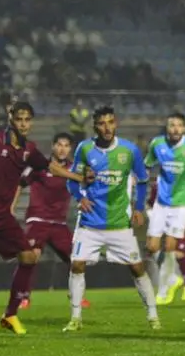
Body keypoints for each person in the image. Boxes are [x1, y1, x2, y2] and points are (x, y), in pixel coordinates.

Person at [0, 101, 88, 338]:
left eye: (27, 119)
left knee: (29, 256)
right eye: (19, 119)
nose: (23, 124)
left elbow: (50, 167)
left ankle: (10, 314)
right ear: (10, 118)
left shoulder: (29, 150)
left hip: (2, 215)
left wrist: (78, 176)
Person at [63, 106, 159, 331]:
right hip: (89, 221)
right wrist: (79, 197)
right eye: (102, 123)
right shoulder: (84, 149)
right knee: (76, 265)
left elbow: (143, 180)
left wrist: (138, 207)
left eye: (110, 122)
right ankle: (75, 318)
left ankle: (153, 316)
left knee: (137, 268)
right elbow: (72, 180)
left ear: (116, 123)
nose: (107, 127)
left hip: (118, 223)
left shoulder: (130, 150)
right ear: (95, 126)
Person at [11, 132, 90, 310]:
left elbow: (83, 189)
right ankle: (23, 297)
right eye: (59, 144)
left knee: (76, 259)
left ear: (70, 149)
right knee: (31, 256)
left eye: (66, 145)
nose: (62, 149)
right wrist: (11, 207)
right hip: (37, 219)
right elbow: (20, 183)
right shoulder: (39, 165)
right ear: (53, 146)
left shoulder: (73, 169)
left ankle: (76, 296)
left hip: (59, 224)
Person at [143, 112, 185, 305]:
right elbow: (146, 166)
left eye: (179, 125)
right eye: (171, 125)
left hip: (183, 203)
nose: (175, 129)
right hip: (161, 202)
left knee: (170, 246)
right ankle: (173, 279)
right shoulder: (157, 144)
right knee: (151, 246)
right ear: (167, 127)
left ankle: (165, 290)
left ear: (184, 128)